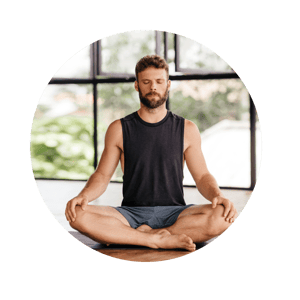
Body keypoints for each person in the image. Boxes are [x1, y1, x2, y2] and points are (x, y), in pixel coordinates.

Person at [65, 55, 238, 252]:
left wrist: (217, 195)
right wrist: (83, 195)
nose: (153, 87)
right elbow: (102, 175)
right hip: (130, 214)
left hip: (176, 213)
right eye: (146, 82)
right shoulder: (119, 128)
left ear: (168, 85)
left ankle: (142, 235)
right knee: (77, 214)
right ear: (137, 85)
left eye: (159, 82)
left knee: (223, 214)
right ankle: (156, 239)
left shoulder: (187, 129)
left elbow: (202, 176)